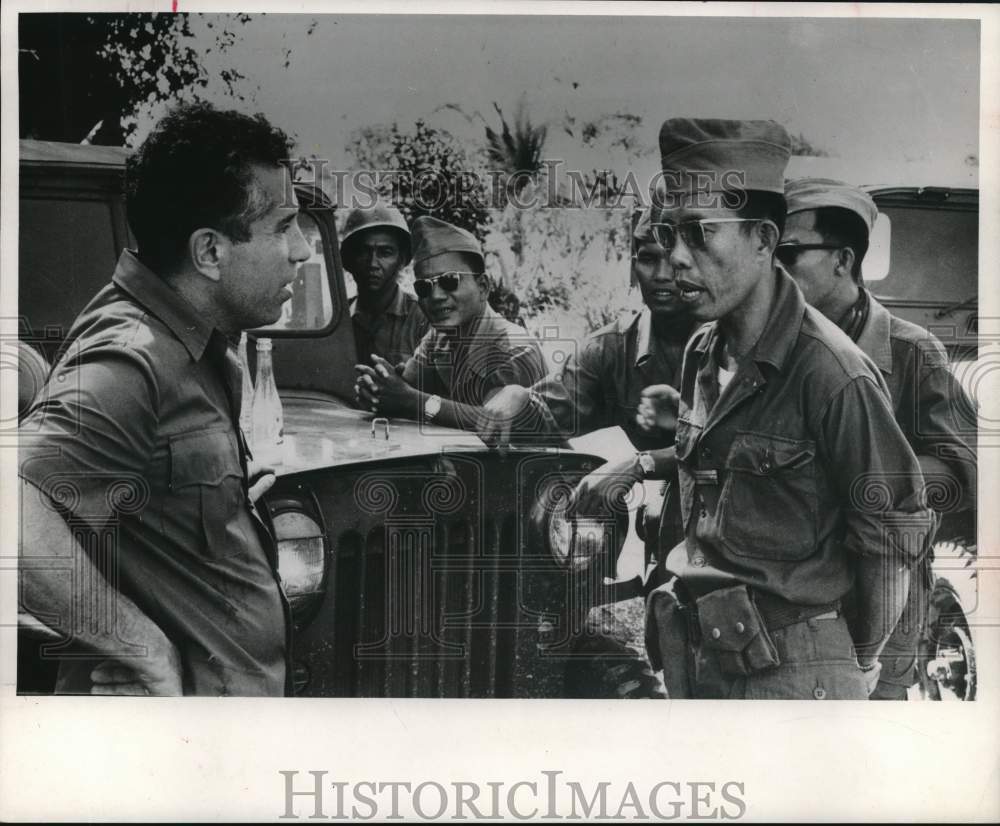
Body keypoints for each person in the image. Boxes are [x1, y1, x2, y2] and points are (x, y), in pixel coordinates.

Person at [18, 102, 311, 695]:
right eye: (283, 228)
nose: (301, 250)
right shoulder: (135, 355)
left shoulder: (196, 345)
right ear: (209, 252)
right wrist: (138, 646)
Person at [646, 118, 935, 699]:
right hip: (705, 653)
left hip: (794, 674)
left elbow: (890, 539)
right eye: (667, 233)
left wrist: (854, 665)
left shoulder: (834, 373)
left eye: (699, 234)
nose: (675, 258)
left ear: (762, 239)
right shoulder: (704, 350)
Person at [780, 177, 977, 699]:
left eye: (791, 254)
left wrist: (870, 479)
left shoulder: (913, 352)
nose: (774, 271)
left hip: (879, 596)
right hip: (788, 604)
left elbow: (960, 472)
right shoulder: (774, 348)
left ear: (843, 260)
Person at [354, 216, 546, 429]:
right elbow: (403, 388)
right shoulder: (440, 338)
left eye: (449, 281)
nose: (436, 296)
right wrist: (379, 387)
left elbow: (496, 424)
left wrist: (410, 400)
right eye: (424, 288)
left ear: (482, 286)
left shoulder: (514, 349)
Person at [341, 203, 429, 366]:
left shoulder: (423, 318)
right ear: (350, 259)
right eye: (363, 251)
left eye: (385, 253)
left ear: (401, 260)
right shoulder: (340, 317)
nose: (373, 263)